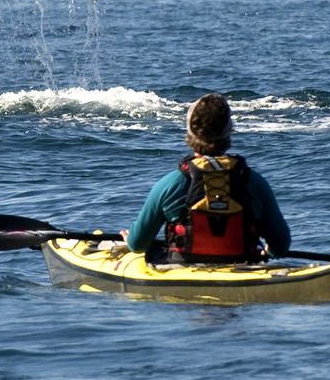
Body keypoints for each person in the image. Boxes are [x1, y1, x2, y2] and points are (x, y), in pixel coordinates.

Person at [122, 93, 290, 264]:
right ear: (230, 130)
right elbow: (281, 246)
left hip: (182, 269)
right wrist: (268, 252)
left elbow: (138, 244)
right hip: (243, 265)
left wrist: (129, 239)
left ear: (189, 133)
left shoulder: (169, 183)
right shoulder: (254, 182)